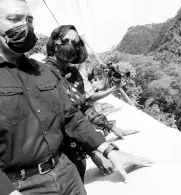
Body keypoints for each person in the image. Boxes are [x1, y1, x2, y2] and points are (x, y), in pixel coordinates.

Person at [0, 1, 153, 195]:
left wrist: (107, 149)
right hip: (21, 185)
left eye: (29, 20)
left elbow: (71, 115)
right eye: (14, 19)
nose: (26, 26)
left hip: (67, 172)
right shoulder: (49, 68)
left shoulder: (42, 71)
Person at [44, 25, 140, 181]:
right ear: (54, 42)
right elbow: (67, 118)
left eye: (75, 43)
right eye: (65, 40)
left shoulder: (74, 73)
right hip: (56, 158)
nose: (70, 46)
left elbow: (83, 107)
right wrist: (95, 152)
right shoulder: (43, 74)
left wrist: (110, 126)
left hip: (77, 152)